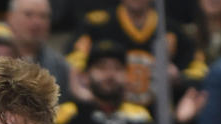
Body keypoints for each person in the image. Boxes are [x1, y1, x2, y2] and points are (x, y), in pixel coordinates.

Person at [65, 0, 205, 109]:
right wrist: (82, 89)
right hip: (107, 116)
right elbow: (73, 62)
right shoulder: (97, 25)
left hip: (154, 123)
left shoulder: (172, 30)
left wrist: (179, 78)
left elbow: (199, 70)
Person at [5, 0, 72, 101]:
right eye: (28, 14)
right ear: (10, 17)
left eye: (43, 16)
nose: (37, 22)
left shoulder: (60, 66)